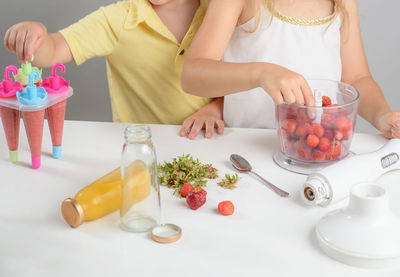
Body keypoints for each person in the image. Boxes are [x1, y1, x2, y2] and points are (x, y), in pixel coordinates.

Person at [3, 0, 224, 139]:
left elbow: (240, 86)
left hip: (213, 140)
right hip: (143, 148)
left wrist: (215, 109)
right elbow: (52, 50)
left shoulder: (222, 11)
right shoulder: (118, 19)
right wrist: (35, 34)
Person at [181, 0, 400, 139]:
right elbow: (193, 74)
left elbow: (358, 78)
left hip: (317, 149)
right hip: (244, 148)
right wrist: (261, 74)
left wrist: (382, 116)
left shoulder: (342, 4)